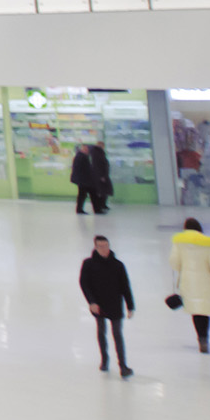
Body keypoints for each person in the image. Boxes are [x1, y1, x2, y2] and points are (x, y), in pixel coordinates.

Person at [79, 234, 135, 378]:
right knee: (101, 331)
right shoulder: (88, 264)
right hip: (98, 304)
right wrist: (91, 302)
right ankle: (104, 360)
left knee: (117, 334)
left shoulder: (118, 265)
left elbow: (125, 286)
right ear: (95, 247)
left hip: (115, 304)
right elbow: (84, 284)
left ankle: (122, 365)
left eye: (106, 246)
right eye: (101, 247)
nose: (104, 249)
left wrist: (130, 306)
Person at [169, 218, 210, 353]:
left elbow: (174, 263)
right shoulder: (208, 243)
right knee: (205, 311)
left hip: (188, 282)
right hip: (207, 283)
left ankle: (201, 338)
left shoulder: (179, 242)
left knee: (196, 311)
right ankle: (205, 337)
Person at [69, 145, 101, 215]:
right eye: (87, 149)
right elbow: (86, 169)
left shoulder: (79, 156)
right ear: (84, 149)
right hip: (84, 180)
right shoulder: (82, 157)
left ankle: (80, 209)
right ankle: (96, 209)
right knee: (91, 193)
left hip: (82, 179)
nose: (88, 151)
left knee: (83, 195)